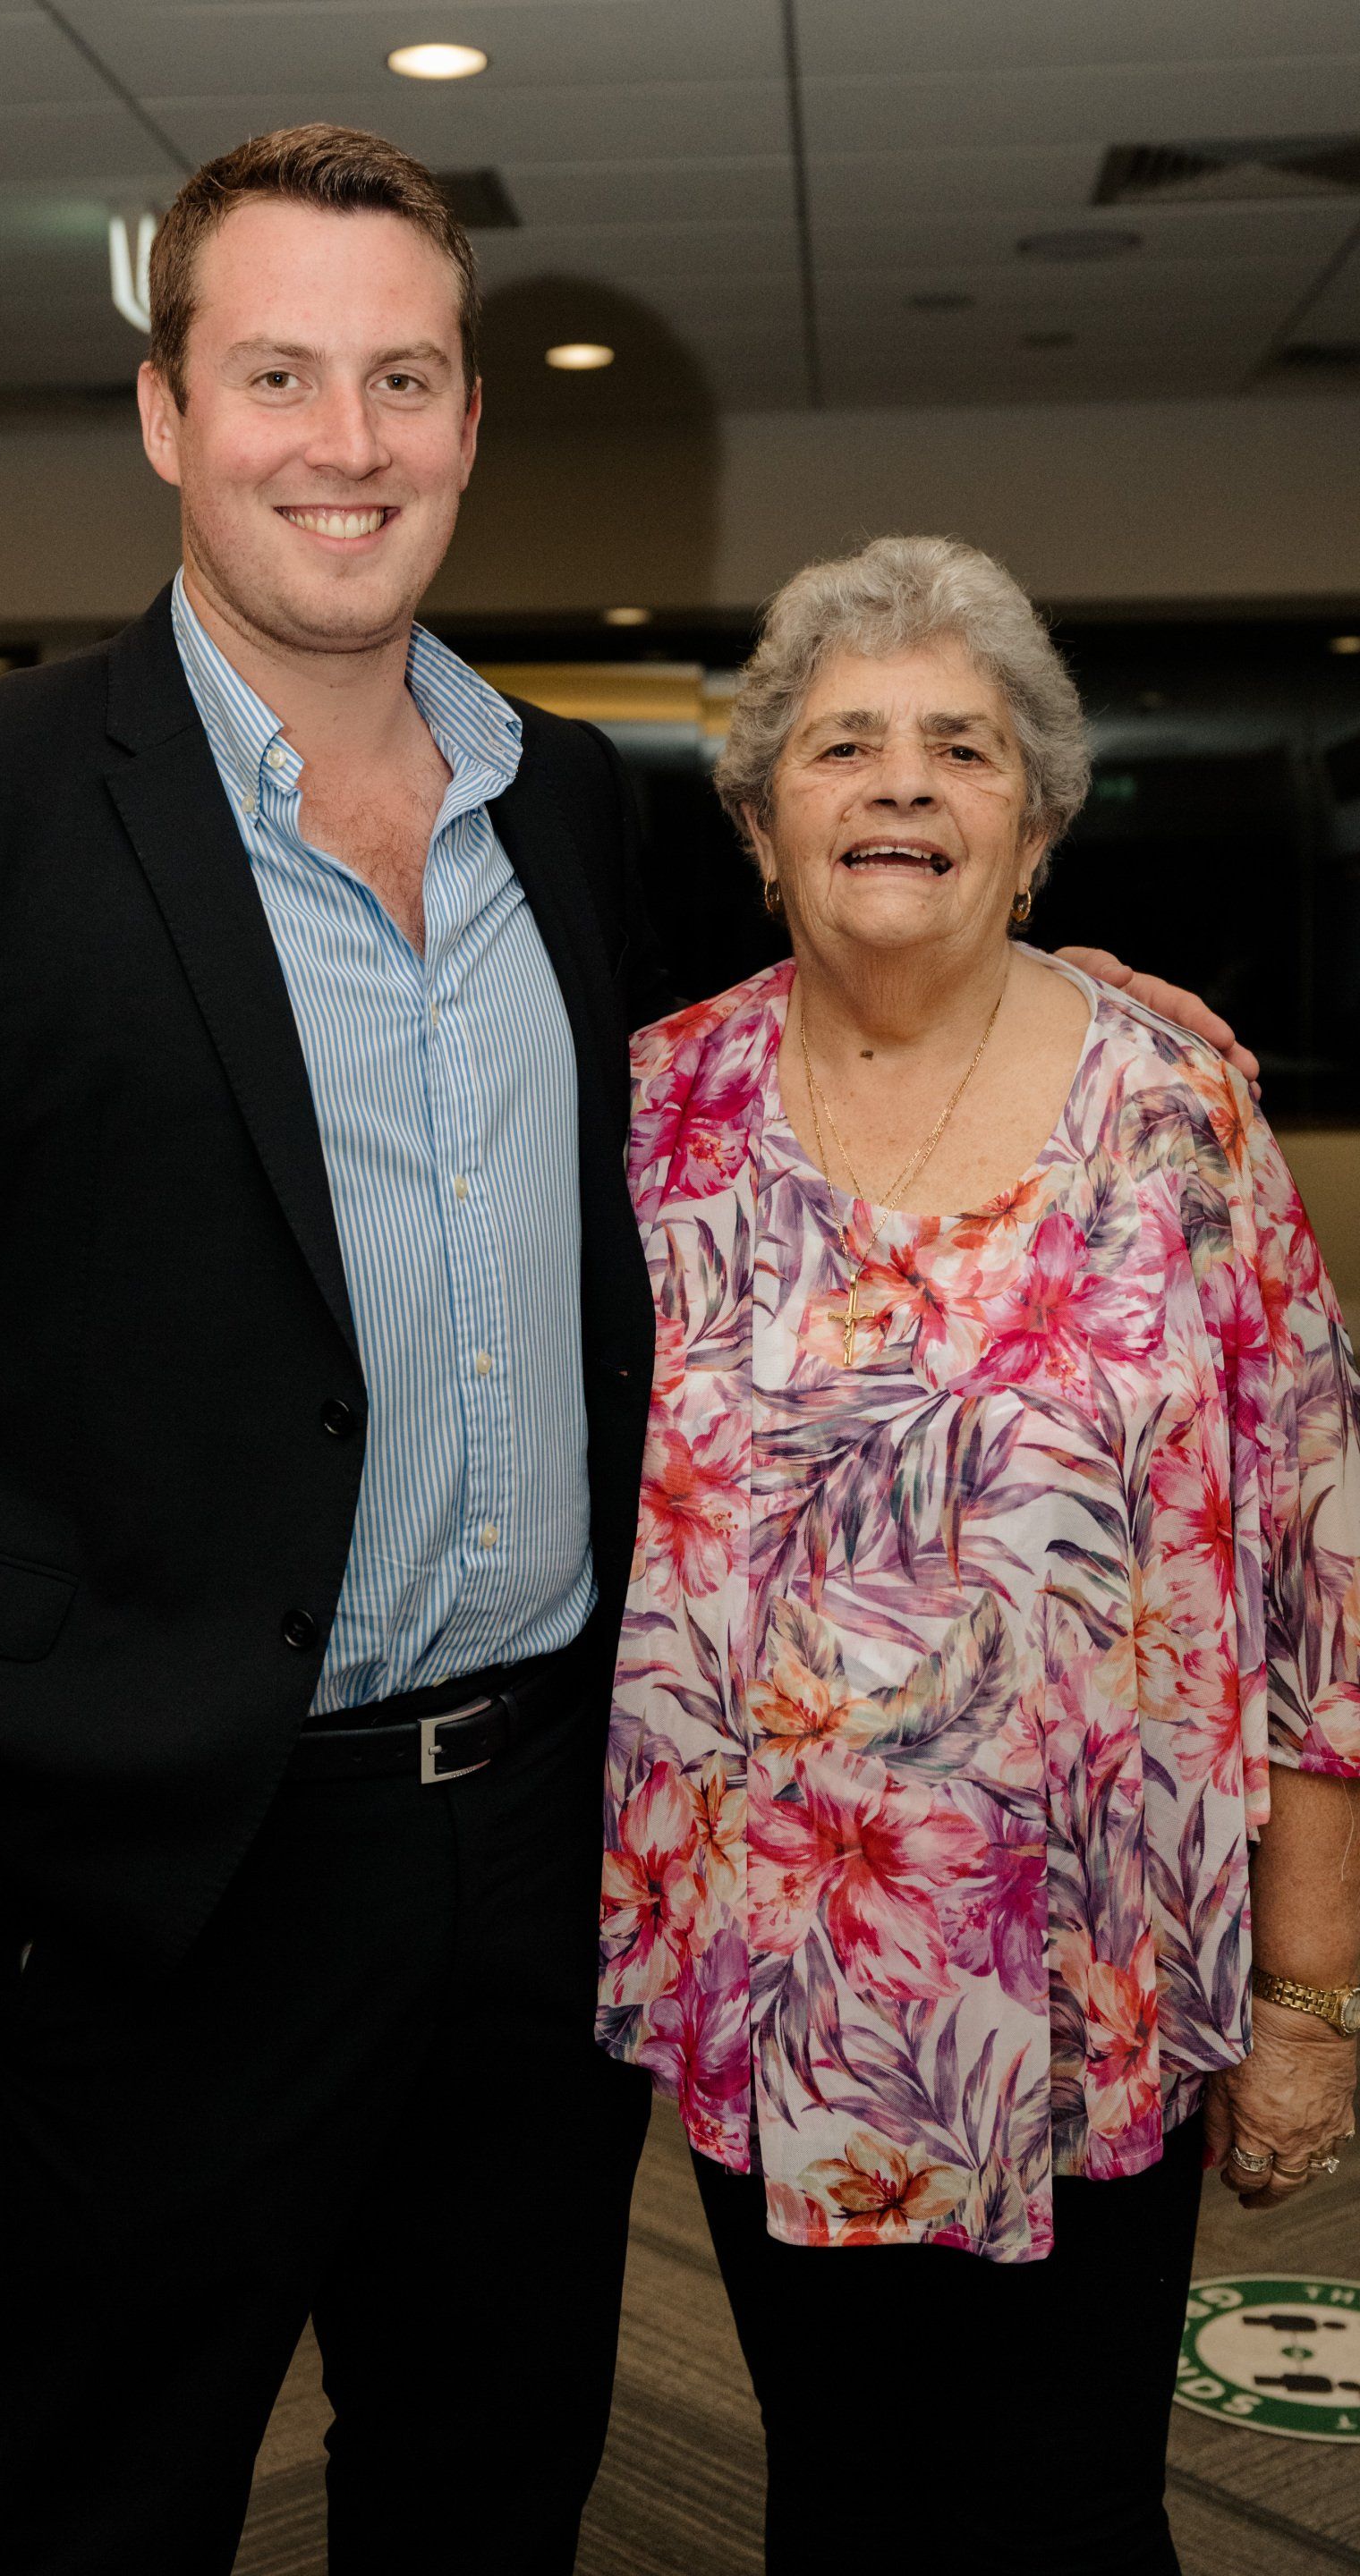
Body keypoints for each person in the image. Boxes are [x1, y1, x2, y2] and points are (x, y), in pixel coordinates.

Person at [0, 125, 1253, 2574]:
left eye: (402, 377)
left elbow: (831, 1016)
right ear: (170, 413)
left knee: (489, 2487)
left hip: (539, 1852)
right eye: (278, 372)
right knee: (110, 2498)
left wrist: (1076, 989)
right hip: (159, 1855)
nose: (348, 438)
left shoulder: (571, 818)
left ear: (470, 422)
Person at [599, 535, 1360, 2576]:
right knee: (837, 2499)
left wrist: (1315, 1989)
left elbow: (1320, 1564)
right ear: (764, 822)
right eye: (844, 746)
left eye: (963, 746)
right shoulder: (658, 1113)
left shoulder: (1178, 1108)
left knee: (1073, 2507)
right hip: (778, 1977)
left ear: (1036, 828)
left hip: (1098, 1969)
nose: (905, 783)